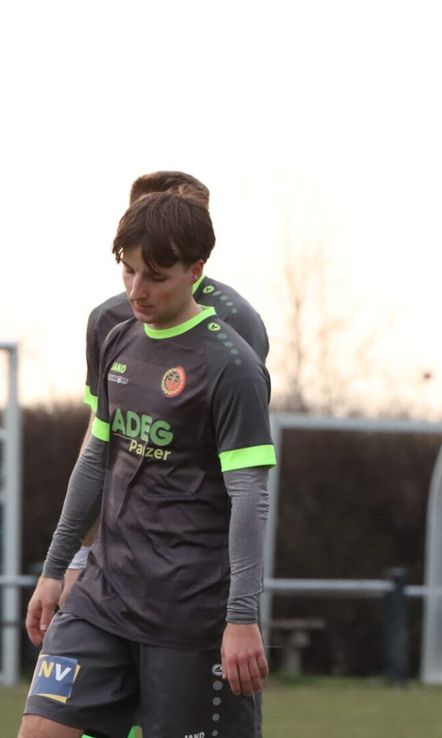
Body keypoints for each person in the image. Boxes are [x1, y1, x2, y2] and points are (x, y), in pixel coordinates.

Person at [19, 191, 275, 738]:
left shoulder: (231, 367)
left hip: (187, 613)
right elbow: (94, 461)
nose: (137, 290)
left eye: (155, 276)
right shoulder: (120, 339)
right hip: (103, 595)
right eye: (128, 271)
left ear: (196, 271)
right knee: (41, 729)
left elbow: (250, 497)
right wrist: (54, 567)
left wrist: (241, 615)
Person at [63, 171, 269, 603]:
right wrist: (78, 556)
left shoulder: (236, 325)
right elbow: (101, 446)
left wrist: (238, 602)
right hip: (113, 561)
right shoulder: (109, 323)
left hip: (190, 571)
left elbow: (242, 473)